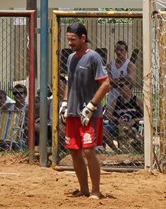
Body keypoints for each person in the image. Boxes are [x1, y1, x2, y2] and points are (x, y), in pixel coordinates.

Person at [60, 22, 110, 199]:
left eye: (73, 39)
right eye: (68, 39)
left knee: (89, 151)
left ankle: (96, 191)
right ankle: (84, 189)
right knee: (74, 151)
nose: (70, 43)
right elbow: (70, 82)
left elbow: (105, 84)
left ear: (83, 38)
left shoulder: (94, 57)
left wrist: (91, 106)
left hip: (88, 115)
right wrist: (65, 103)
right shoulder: (70, 58)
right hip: (73, 113)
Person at [104, 79, 143, 150]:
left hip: (132, 127)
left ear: (130, 86)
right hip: (117, 126)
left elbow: (147, 117)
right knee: (103, 128)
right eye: (118, 86)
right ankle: (112, 149)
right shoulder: (117, 100)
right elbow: (107, 115)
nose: (119, 87)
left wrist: (134, 120)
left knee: (130, 130)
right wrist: (117, 119)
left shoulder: (137, 100)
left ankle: (133, 148)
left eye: (121, 85)